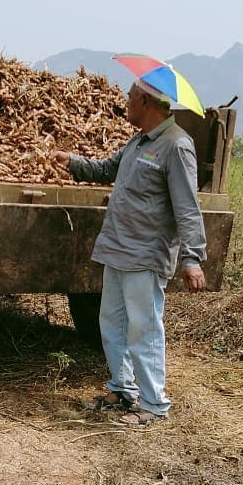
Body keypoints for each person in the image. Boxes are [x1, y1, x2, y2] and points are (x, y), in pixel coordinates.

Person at [51, 79, 207, 426]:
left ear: (147, 102)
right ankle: (123, 390)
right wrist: (72, 162)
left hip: (145, 254)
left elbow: (187, 207)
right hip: (118, 248)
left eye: (130, 97)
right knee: (112, 324)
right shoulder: (138, 141)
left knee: (144, 329)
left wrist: (192, 257)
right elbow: (107, 169)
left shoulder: (176, 146)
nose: (126, 101)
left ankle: (154, 406)